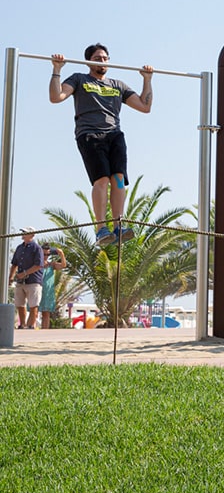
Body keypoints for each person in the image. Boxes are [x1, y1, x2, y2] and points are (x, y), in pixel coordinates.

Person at [49, 44, 154, 246]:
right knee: (102, 181)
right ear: (89, 61)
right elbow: (56, 97)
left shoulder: (118, 85)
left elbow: (145, 106)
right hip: (89, 134)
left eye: (105, 58)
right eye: (98, 58)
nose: (103, 62)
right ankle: (101, 229)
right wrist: (57, 70)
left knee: (119, 179)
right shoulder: (79, 79)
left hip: (114, 135)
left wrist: (147, 80)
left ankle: (118, 224)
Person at [9, 227, 44, 329]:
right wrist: (10, 277)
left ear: (32, 235)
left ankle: (30, 326)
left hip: (33, 281)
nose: (23, 234)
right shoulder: (19, 248)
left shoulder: (37, 248)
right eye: (23, 232)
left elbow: (38, 265)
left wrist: (24, 273)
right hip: (20, 281)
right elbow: (14, 264)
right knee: (20, 304)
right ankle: (22, 324)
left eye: (25, 232)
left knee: (33, 305)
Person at [40, 245, 67, 329]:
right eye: (43, 254)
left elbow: (63, 265)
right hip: (37, 289)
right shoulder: (36, 264)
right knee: (34, 312)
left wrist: (61, 254)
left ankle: (44, 332)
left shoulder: (51, 265)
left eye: (47, 255)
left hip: (48, 292)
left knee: (46, 313)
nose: (45, 257)